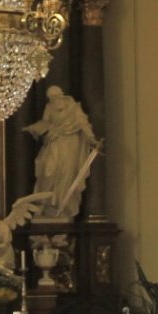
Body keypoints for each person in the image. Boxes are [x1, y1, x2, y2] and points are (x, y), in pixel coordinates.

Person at [23, 85, 100, 218]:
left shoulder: (74, 107)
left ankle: (63, 206)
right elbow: (45, 123)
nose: (54, 100)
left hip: (70, 143)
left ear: (61, 95)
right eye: (51, 98)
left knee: (66, 172)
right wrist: (34, 128)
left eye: (56, 97)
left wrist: (92, 139)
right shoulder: (49, 107)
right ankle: (46, 203)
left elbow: (83, 123)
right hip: (55, 142)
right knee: (48, 170)